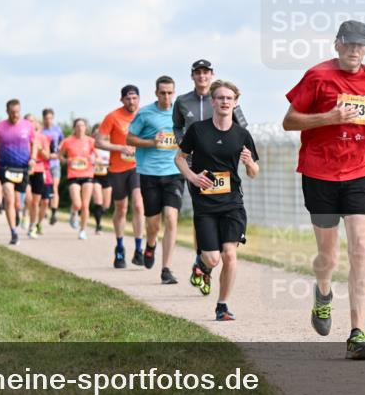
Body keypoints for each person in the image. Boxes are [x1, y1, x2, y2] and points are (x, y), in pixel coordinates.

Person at [282, 20, 365, 360]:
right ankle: (324, 295)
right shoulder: (317, 76)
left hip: (361, 171)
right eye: (349, 43)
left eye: (361, 45)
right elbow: (289, 120)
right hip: (320, 172)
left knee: (361, 247)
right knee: (328, 257)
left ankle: (357, 333)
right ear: (337, 44)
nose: (354, 50)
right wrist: (327, 118)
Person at [176, 80, 259, 321]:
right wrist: (192, 177)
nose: (224, 102)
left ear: (235, 103)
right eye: (220, 98)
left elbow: (254, 172)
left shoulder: (242, 134)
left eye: (229, 98)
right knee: (212, 258)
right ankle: (200, 265)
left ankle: (222, 305)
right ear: (212, 102)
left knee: (229, 254)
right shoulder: (198, 130)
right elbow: (180, 159)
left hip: (232, 202)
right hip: (205, 204)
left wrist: (249, 163)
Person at [173, 59, 250, 284]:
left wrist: (242, 151)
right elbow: (177, 126)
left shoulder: (225, 98)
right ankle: (205, 258)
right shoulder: (182, 101)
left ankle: (204, 262)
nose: (202, 76)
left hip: (224, 165)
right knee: (204, 212)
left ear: (211, 75)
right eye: (198, 72)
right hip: (196, 165)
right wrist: (184, 142)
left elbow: (243, 127)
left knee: (223, 236)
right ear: (193, 76)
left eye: (206, 72)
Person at [127, 76, 182, 285]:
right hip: (149, 173)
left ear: (174, 93)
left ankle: (166, 269)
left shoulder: (181, 112)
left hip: (174, 172)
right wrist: (151, 142)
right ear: (156, 93)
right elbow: (129, 139)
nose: (166, 97)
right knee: (153, 224)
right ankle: (150, 246)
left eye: (170, 92)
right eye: (163, 93)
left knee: (171, 217)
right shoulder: (146, 113)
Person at [96, 85, 146, 269]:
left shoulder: (144, 115)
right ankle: (119, 247)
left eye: (134, 98)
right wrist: (120, 147)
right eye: (128, 99)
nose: (131, 102)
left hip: (137, 167)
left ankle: (139, 249)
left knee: (139, 205)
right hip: (117, 169)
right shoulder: (113, 117)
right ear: (122, 100)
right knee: (121, 209)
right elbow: (99, 141)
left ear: (139, 99)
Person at [0, 99, 37, 245]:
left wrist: (33, 157)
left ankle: (16, 214)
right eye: (12, 112)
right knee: (8, 196)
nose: (15, 115)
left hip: (22, 168)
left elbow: (34, 142)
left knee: (18, 204)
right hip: (5, 167)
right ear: (7, 112)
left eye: (18, 112)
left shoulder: (27, 125)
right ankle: (13, 232)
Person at [59, 118, 97, 240]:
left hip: (88, 174)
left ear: (86, 128)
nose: (80, 128)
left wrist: (94, 160)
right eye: (78, 126)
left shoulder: (91, 141)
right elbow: (60, 155)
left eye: (82, 126)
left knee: (85, 205)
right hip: (73, 175)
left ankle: (83, 230)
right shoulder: (68, 141)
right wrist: (66, 161)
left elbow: (98, 157)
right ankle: (73, 213)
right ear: (74, 128)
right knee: (77, 203)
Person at [25, 114, 52, 238]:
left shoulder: (43, 138)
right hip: (25, 169)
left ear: (36, 123)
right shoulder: (22, 137)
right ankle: (25, 216)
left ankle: (32, 225)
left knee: (36, 201)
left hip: (39, 169)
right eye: (27, 121)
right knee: (28, 199)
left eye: (32, 121)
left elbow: (47, 156)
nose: (30, 123)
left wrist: (40, 149)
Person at [41, 109, 65, 225]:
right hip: (43, 165)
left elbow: (63, 142)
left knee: (54, 187)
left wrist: (59, 151)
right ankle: (44, 209)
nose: (48, 120)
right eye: (46, 118)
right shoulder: (40, 131)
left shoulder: (58, 130)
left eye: (50, 118)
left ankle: (54, 213)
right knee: (44, 189)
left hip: (55, 164)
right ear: (43, 118)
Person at [91, 124, 111, 235]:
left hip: (107, 175)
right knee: (98, 200)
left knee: (106, 205)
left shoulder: (108, 146)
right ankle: (98, 226)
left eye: (100, 133)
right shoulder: (90, 146)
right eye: (95, 133)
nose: (97, 135)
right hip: (94, 176)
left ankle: (96, 213)